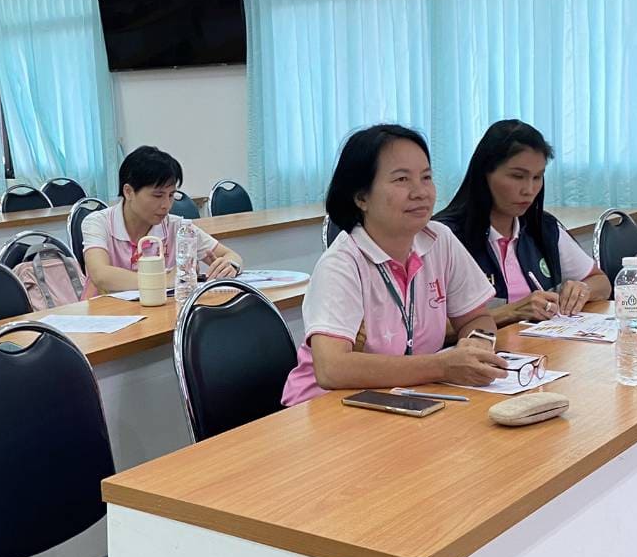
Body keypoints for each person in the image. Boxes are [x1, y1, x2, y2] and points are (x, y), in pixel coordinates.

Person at [281, 124, 506, 405]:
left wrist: (478, 344)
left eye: (426, 177)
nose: (420, 192)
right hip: (325, 407)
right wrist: (442, 366)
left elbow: (476, 319)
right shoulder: (342, 263)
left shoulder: (440, 240)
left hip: (400, 397)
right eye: (402, 179)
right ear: (361, 197)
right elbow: (332, 369)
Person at [436, 119, 611, 325]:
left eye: (537, 177)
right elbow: (423, 330)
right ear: (485, 174)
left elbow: (602, 282)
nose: (529, 190)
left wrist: (583, 290)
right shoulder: (445, 237)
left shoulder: (542, 227)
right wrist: (511, 312)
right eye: (517, 176)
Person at [81, 145, 243, 296]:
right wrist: (165, 280)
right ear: (129, 192)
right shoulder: (98, 223)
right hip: (104, 313)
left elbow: (231, 255)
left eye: (171, 195)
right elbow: (101, 275)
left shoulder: (178, 227)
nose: (166, 205)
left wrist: (230, 266)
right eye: (158, 195)